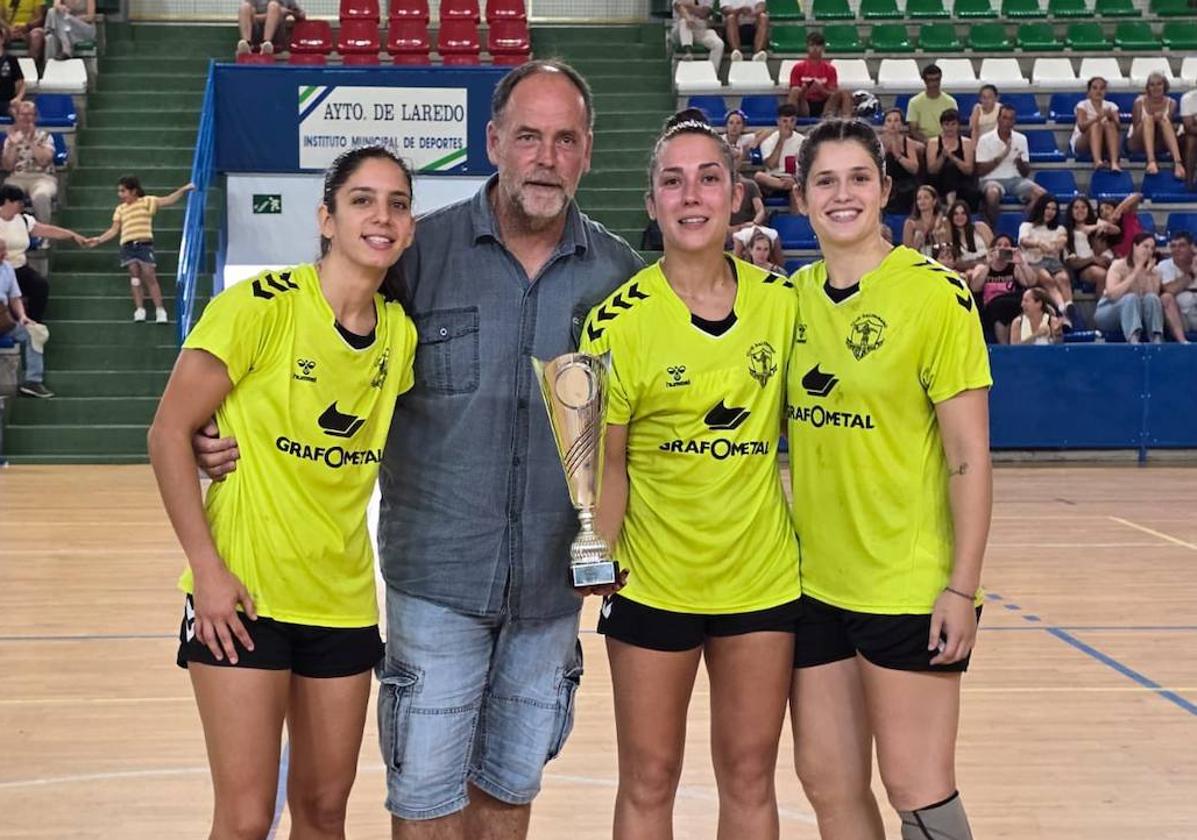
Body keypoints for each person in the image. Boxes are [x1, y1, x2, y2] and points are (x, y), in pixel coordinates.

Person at [195, 60, 643, 839]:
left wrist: (618, 538)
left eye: (564, 139)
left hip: (548, 593)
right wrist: (220, 431)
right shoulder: (415, 257)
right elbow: (325, 346)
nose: (545, 156)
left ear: (588, 152)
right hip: (435, 580)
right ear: (492, 140)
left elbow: (641, 424)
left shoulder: (618, 276)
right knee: (426, 803)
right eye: (527, 136)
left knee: (507, 798)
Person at [149, 146, 419, 840]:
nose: (380, 216)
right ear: (325, 219)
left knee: (325, 813)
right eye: (361, 200)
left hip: (343, 601)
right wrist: (207, 571)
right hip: (243, 597)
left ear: (410, 227)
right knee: (243, 819)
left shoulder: (401, 337)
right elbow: (169, 432)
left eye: (396, 203)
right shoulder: (257, 308)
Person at [580, 115, 799, 840]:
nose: (691, 195)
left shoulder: (782, 306)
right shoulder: (618, 321)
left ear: (737, 196)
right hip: (652, 584)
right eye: (672, 181)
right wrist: (596, 557)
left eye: (708, 177)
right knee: (648, 778)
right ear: (650, 204)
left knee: (747, 775)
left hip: (761, 582)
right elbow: (604, 463)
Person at [787, 118, 992, 840]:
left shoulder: (935, 295)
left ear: (883, 190)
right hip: (813, 586)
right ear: (801, 197)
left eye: (857, 178)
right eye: (824, 180)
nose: (841, 195)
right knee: (827, 782)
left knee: (917, 788)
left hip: (905, 585)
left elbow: (968, 458)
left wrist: (960, 589)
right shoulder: (790, 300)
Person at [85, 176, 195, 323]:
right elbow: (114, 230)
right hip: (128, 246)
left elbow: (168, 200)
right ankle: (140, 309)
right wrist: (98, 240)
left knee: (149, 274)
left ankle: (160, 310)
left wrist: (183, 189)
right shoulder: (120, 209)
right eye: (119, 191)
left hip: (144, 245)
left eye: (123, 191)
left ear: (134, 191)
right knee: (135, 275)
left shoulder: (147, 201)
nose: (120, 195)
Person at [0, 183, 88, 322]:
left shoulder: (23, 220)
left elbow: (48, 230)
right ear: (7, 201)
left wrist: (73, 235)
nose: (21, 205)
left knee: (40, 285)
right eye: (18, 201)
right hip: (2, 269)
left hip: (20, 268)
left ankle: (33, 322)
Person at [976, 104, 1044, 229]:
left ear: (1014, 121)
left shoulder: (1021, 139)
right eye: (1004, 118)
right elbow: (980, 171)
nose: (1007, 122)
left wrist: (1019, 162)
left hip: (1015, 179)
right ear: (998, 119)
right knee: (992, 194)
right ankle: (992, 230)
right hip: (991, 179)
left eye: (1011, 119)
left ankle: (1023, 226)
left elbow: (1025, 173)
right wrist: (1002, 156)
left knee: (1042, 195)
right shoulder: (985, 139)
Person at [1020, 193, 1079, 329]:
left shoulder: (1060, 228)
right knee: (1048, 279)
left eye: (1054, 209)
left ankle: (1069, 306)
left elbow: (1062, 241)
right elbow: (1024, 241)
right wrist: (1039, 243)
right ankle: (1063, 309)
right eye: (1047, 208)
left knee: (1063, 278)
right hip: (1034, 262)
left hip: (1053, 262)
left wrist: (1054, 245)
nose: (1050, 212)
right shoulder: (1027, 226)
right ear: (1041, 208)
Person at [0, 238, 51, 397]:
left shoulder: (7, 267)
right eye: (1, 251)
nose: (5, 254)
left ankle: (33, 381)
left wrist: (22, 317)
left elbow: (15, 297)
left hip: (3, 319)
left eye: (4, 250)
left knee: (33, 333)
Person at [1095, 232, 1164, 343]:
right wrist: (1136, 271)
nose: (1149, 251)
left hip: (1137, 315)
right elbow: (1112, 295)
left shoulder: (1154, 271)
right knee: (1131, 298)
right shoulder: (1118, 265)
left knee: (1152, 298)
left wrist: (1147, 274)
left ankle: (1156, 338)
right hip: (1109, 311)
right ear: (1134, 246)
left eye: (1152, 248)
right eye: (1145, 246)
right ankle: (1133, 340)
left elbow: (1152, 301)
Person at [970, 233, 1035, 344]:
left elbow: (1030, 283)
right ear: (992, 249)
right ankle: (1005, 346)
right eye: (998, 245)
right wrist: (988, 265)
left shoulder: (1015, 268)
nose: (1002, 248)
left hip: (1010, 307)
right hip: (989, 310)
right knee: (998, 306)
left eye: (1006, 245)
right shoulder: (982, 268)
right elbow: (974, 288)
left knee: (1031, 296)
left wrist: (1022, 263)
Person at [2, 101, 57, 222]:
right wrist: (12, 146)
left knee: (41, 196)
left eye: (30, 114)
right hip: (17, 177)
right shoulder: (11, 138)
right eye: (22, 114)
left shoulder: (45, 136)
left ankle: (44, 237)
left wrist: (30, 141)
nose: (26, 118)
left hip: (43, 178)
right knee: (8, 195)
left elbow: (44, 161)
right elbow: (7, 166)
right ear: (18, 116)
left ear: (35, 117)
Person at [786, 31, 853, 120]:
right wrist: (805, 90)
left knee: (844, 92)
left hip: (825, 104)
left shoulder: (830, 69)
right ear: (807, 47)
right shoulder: (798, 68)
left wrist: (821, 89)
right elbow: (793, 93)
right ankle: (790, 119)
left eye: (818, 45)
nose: (815, 48)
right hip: (805, 104)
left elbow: (832, 93)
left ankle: (847, 123)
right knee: (795, 90)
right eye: (812, 45)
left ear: (822, 48)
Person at [1130, 72, 1184, 181]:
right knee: (1148, 119)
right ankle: (1151, 161)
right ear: (1148, 87)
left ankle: (1178, 163)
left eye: (1159, 84)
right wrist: (1153, 118)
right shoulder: (1139, 102)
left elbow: (1165, 128)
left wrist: (1158, 118)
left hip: (1160, 141)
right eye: (1152, 85)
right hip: (1139, 141)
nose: (1156, 88)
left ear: (1164, 86)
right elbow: (1136, 128)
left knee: (1164, 120)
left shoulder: (1172, 103)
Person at [753, 103, 803, 213]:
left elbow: (804, 168)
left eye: (792, 121)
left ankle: (795, 224)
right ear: (778, 122)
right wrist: (781, 140)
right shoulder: (769, 139)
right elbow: (771, 165)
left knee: (795, 189)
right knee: (759, 176)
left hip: (792, 179)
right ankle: (785, 186)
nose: (788, 125)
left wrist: (794, 180)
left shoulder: (802, 141)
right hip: (773, 180)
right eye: (785, 121)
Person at [926, 109, 980, 211]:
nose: (950, 128)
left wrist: (952, 157)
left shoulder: (966, 143)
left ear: (958, 125)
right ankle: (951, 204)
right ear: (942, 125)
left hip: (961, 181)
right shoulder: (933, 143)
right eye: (946, 124)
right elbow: (931, 170)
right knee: (948, 169)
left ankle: (952, 205)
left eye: (953, 124)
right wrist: (942, 156)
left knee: (953, 169)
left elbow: (968, 170)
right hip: (939, 181)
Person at [1063, 197, 1112, 297]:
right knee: (1101, 274)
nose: (1080, 210)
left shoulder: (1098, 227)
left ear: (1088, 209)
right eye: (1076, 208)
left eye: (1083, 207)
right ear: (1071, 211)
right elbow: (1071, 263)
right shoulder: (1065, 232)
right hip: (1081, 269)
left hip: (1101, 264)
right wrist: (1092, 259)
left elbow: (1106, 253)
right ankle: (1102, 310)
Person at [1073, 77, 1122, 173]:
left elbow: (1118, 128)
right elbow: (1082, 127)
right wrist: (1097, 118)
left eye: (1102, 88)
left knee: (1110, 125)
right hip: (1082, 142)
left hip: (1105, 142)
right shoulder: (1082, 105)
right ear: (1089, 91)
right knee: (1096, 126)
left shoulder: (1111, 106)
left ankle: (1114, 163)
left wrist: (1111, 117)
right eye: (1095, 88)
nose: (1098, 91)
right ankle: (1097, 161)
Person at [880, 108, 922, 216]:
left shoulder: (907, 143)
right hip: (884, 181)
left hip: (904, 182)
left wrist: (898, 156)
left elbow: (914, 169)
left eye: (896, 120)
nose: (892, 124)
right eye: (889, 121)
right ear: (884, 125)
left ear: (901, 125)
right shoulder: (877, 142)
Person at [1159, 229, 1196, 343]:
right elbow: (1169, 289)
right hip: (1178, 318)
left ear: (1192, 248)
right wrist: (1191, 274)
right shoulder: (1164, 266)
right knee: (1166, 298)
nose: (1177, 249)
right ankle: (1183, 342)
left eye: (1182, 245)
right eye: (1173, 246)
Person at [905, 64, 958, 143]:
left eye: (937, 79)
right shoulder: (914, 102)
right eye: (931, 80)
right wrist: (929, 142)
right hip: (923, 142)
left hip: (946, 140)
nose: (934, 83)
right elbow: (913, 130)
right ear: (925, 81)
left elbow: (954, 126)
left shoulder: (950, 101)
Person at [945, 199, 992, 281]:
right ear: (951, 216)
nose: (960, 217)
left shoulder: (980, 227)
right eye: (956, 214)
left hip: (988, 265)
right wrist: (977, 263)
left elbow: (994, 249)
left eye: (963, 213)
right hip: (967, 272)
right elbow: (956, 263)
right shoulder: (949, 236)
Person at [237, 0, 304, 56]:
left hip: (277, 34)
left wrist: (290, 12)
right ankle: (247, 44)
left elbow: (301, 15)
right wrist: (274, 15)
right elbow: (247, 15)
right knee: (244, 7)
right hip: (255, 32)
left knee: (273, 5)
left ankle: (266, 44)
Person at [673, 0, 724, 67]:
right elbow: (678, 6)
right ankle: (688, 51)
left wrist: (687, 6)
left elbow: (703, 13)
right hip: (680, 31)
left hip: (700, 29)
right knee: (684, 22)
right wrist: (688, 17)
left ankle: (711, 72)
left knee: (719, 44)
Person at [903, 184, 948, 257]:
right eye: (919, 198)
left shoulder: (943, 221)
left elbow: (950, 251)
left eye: (926, 197)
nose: (922, 201)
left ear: (934, 201)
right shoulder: (910, 223)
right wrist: (916, 243)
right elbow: (906, 255)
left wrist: (940, 240)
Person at [3, 0, 44, 69]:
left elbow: (40, 18)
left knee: (37, 35)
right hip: (8, 29)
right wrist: (8, 28)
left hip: (29, 29)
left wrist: (26, 27)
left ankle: (28, 69)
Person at [0, 25, 26, 119]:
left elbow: (21, 84)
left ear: (2, 40)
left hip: (8, 102)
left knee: (19, 112)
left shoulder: (11, 60)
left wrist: (18, 99)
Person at [1181, 80, 1197, 192]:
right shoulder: (1187, 99)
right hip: (1185, 137)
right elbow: (1189, 127)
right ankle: (1189, 182)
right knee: (1191, 140)